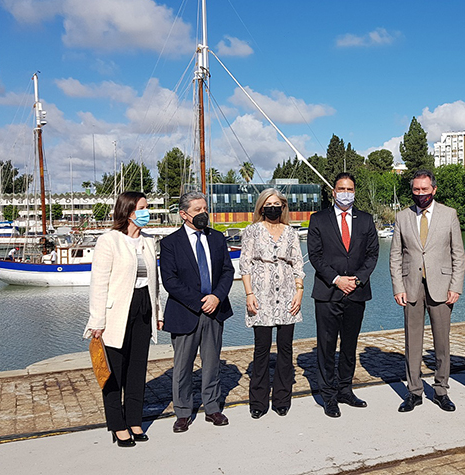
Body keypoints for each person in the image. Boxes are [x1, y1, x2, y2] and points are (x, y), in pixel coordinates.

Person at [83, 191, 161, 447]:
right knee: (114, 371)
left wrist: (158, 313)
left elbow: (155, 283)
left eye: (147, 207)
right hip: (116, 312)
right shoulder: (109, 241)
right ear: (128, 211)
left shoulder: (149, 242)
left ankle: (135, 420)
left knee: (137, 369)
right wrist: (97, 321)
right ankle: (117, 426)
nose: (146, 212)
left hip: (143, 308)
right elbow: (99, 283)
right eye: (142, 207)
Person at [390, 169, 465, 413]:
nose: (420, 193)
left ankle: (441, 390)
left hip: (442, 287)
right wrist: (397, 287)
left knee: (442, 342)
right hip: (410, 286)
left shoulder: (449, 214)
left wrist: (456, 286)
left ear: (434, 189)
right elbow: (395, 256)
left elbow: (458, 254)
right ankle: (414, 391)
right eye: (416, 190)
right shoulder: (402, 217)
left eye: (425, 189)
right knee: (413, 342)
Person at [160, 191, 235, 432]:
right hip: (185, 312)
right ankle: (182, 412)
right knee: (182, 366)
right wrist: (200, 301)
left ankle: (212, 408)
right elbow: (170, 280)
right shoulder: (170, 243)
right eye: (197, 210)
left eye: (205, 209)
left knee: (212, 363)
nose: (203, 214)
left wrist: (216, 297)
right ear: (184, 214)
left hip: (215, 310)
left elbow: (227, 271)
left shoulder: (217, 238)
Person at [307, 172, 379, 418]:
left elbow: (372, 255)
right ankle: (328, 395)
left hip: (356, 292)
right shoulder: (318, 219)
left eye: (350, 188)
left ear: (354, 191)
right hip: (328, 292)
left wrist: (357, 279)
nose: (345, 193)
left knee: (349, 345)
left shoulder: (366, 220)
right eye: (341, 188)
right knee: (326, 347)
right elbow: (315, 256)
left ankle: (345, 389)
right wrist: (337, 280)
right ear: (333, 192)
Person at [239, 189, 305, 419]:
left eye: (277, 203)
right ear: (261, 207)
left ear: (283, 206)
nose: (273, 207)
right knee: (262, 350)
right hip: (261, 296)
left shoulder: (291, 233)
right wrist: (249, 294)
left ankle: (282, 398)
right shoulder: (252, 232)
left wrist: (299, 292)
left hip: (287, 296)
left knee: (286, 350)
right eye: (269, 204)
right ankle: (258, 400)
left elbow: (298, 263)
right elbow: (245, 265)